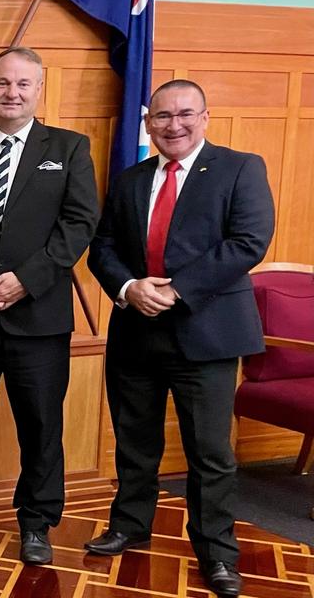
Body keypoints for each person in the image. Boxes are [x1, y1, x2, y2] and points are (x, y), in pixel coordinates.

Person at [85, 80, 274, 598]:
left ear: (205, 116)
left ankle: (217, 552)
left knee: (210, 452)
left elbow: (249, 241)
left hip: (206, 335)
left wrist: (177, 291)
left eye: (185, 114)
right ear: (149, 124)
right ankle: (129, 524)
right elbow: (102, 246)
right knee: (134, 440)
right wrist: (127, 286)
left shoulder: (240, 168)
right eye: (163, 117)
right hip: (135, 332)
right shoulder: (129, 180)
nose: (174, 125)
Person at [0, 46, 99, 565]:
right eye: (3, 83)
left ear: (39, 89)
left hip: (40, 317)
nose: (11, 93)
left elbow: (79, 224)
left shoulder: (71, 149)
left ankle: (36, 524)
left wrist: (27, 281)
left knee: (42, 426)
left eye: (23, 84)